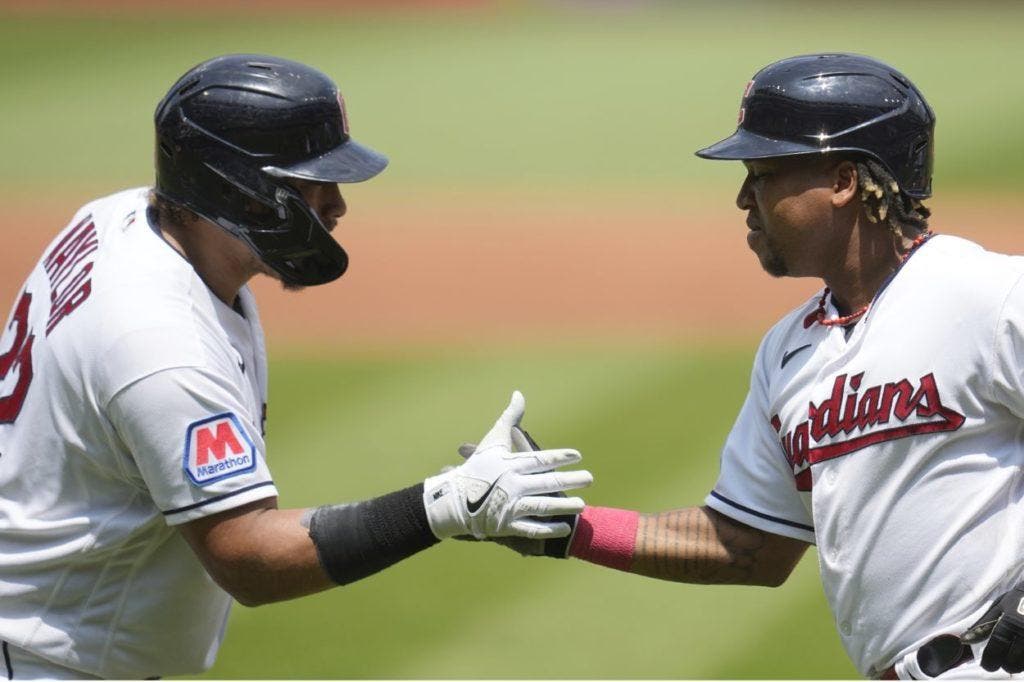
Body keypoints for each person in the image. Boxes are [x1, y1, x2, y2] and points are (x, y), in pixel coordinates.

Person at [0, 53, 592, 680]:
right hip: (43, 660)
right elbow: (248, 558)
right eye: (310, 185)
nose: (336, 207)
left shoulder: (122, 219)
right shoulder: (158, 345)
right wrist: (445, 504)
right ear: (240, 192)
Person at [498, 53, 1024, 679]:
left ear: (844, 181)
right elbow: (748, 547)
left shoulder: (986, 296)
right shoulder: (788, 350)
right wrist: (568, 531)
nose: (744, 197)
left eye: (764, 172)